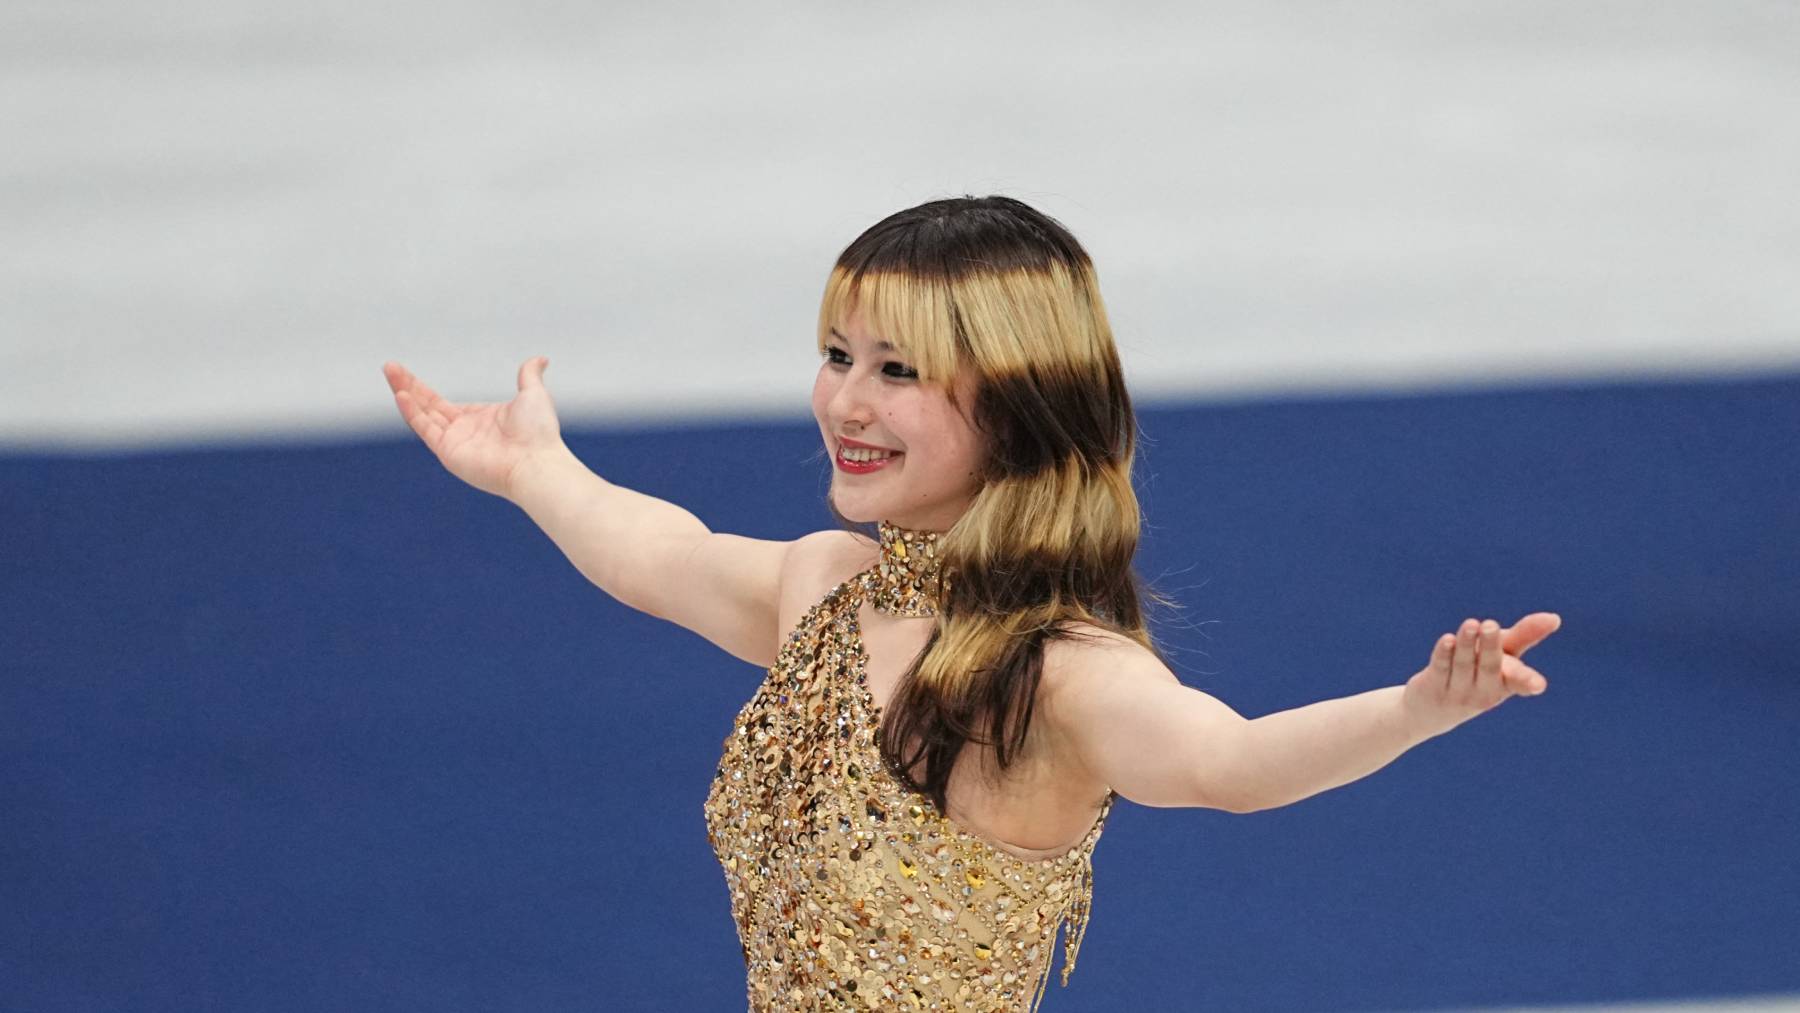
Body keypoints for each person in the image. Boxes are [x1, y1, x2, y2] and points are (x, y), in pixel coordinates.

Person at [381, 194, 1561, 1012]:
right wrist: (536, 469)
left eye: (898, 370)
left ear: (1016, 405)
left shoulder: (1056, 672)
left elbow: (1233, 759)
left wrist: (1415, 708)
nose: (846, 398)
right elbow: (663, 552)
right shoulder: (829, 590)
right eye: (837, 353)